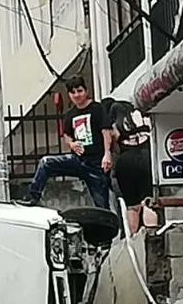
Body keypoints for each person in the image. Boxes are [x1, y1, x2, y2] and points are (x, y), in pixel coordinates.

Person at [19, 76, 112, 209]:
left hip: (96, 163)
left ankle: (109, 227)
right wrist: (72, 144)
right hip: (78, 160)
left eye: (79, 91)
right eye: (73, 92)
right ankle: (33, 196)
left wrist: (107, 154)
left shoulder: (97, 109)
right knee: (46, 163)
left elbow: (106, 131)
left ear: (86, 91)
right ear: (69, 95)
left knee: (102, 204)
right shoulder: (70, 115)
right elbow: (66, 135)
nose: (77, 95)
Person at [109, 101, 154, 235]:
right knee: (148, 201)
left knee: (133, 206)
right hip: (147, 157)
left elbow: (113, 141)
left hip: (126, 160)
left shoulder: (116, 123)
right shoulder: (143, 118)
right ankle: (152, 237)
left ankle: (134, 238)